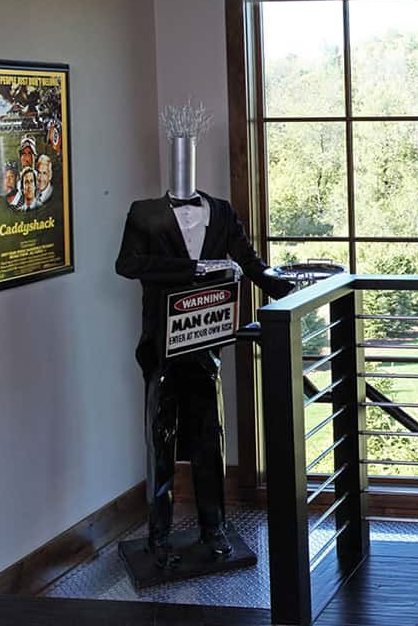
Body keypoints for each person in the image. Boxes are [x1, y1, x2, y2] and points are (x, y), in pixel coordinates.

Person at [116, 188, 292, 566]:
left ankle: (214, 530)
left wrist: (284, 287)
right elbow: (127, 264)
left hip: (206, 340)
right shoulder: (144, 210)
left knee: (209, 440)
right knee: (160, 441)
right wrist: (192, 269)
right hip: (161, 343)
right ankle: (158, 538)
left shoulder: (222, 211)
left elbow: (248, 259)